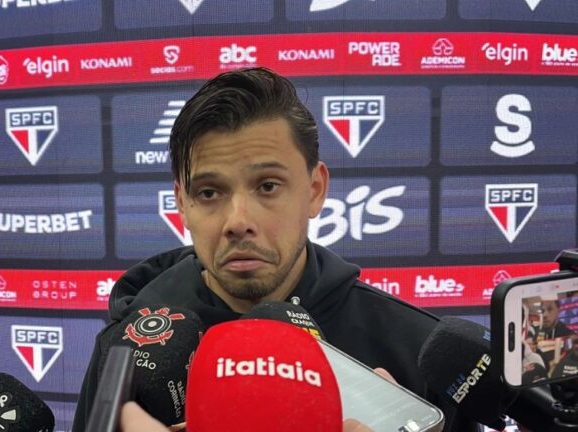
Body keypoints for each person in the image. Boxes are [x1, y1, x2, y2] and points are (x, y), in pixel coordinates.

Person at [72, 68, 476, 431]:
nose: (237, 221)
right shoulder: (130, 350)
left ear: (315, 190)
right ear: (182, 204)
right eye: (209, 192)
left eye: (267, 186)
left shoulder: (414, 348)